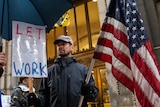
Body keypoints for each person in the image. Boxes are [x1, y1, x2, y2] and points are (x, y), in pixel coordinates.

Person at [38, 35, 98, 107]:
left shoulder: (83, 70)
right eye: (58, 45)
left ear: (72, 47)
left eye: (63, 44)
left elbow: (93, 94)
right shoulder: (49, 72)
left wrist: (90, 91)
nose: (60, 47)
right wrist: (36, 101)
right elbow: (43, 95)